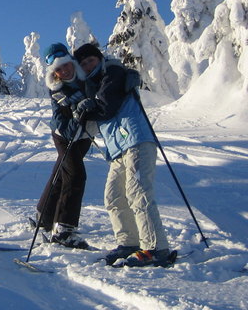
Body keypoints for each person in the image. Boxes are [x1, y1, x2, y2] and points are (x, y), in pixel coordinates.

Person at [72, 43, 172, 267]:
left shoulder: (113, 72)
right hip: (118, 148)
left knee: (138, 193)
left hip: (136, 140)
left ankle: (156, 248)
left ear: (99, 59)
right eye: (84, 63)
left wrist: (89, 106)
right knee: (114, 197)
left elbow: (107, 106)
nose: (88, 65)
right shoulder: (92, 83)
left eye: (91, 60)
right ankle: (128, 242)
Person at [34, 43, 93, 249]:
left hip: (84, 136)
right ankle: (64, 230)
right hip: (64, 136)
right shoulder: (57, 90)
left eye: (66, 65)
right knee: (76, 175)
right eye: (58, 69)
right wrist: (77, 113)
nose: (64, 70)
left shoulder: (86, 77)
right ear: (54, 73)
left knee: (62, 174)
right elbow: (63, 125)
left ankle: (43, 216)